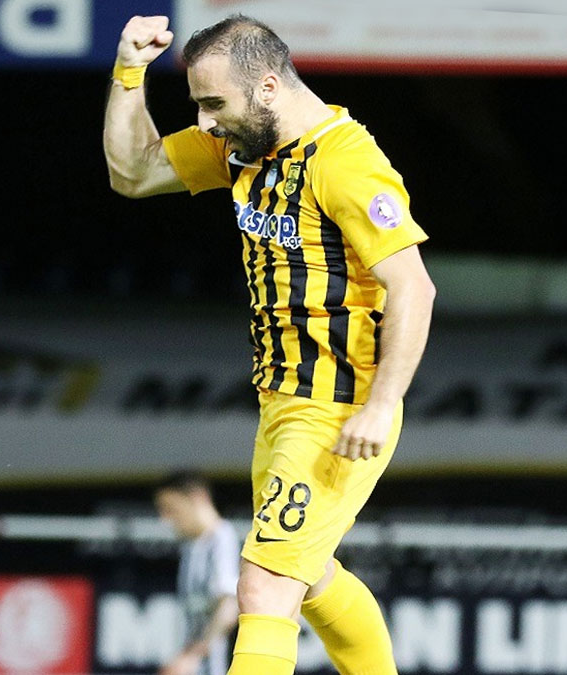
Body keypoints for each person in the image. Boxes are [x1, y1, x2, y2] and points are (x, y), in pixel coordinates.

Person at [104, 14, 436, 675]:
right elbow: (133, 173)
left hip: (338, 407)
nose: (204, 121)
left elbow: (414, 287)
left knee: (262, 586)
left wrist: (380, 405)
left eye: (213, 103)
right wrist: (128, 70)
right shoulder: (245, 146)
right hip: (281, 402)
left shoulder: (345, 163)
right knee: (308, 577)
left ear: (267, 87)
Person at [154, 471, 241, 675]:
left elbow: (229, 606)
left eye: (171, 509)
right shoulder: (191, 547)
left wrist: (194, 657)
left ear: (198, 498)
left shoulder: (222, 538)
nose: (166, 519)